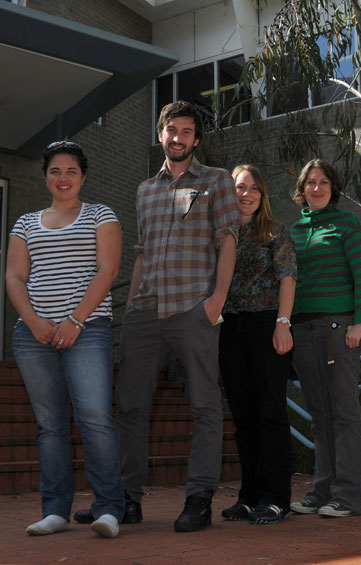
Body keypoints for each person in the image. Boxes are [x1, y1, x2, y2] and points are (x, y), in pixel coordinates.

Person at [113, 100, 240, 532]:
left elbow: (227, 240)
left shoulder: (216, 181)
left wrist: (217, 298)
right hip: (146, 311)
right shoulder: (145, 190)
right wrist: (131, 305)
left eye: (186, 131)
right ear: (160, 133)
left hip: (193, 308)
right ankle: (127, 499)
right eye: (171, 130)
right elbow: (142, 254)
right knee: (129, 405)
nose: (178, 138)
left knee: (205, 406)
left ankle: (199, 499)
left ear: (196, 139)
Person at [7, 141, 125, 537]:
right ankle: (55, 510)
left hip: (87, 329)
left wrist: (75, 320)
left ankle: (109, 508)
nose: (63, 178)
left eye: (71, 171)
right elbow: (14, 278)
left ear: (83, 177)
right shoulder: (24, 223)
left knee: (95, 419)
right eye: (55, 171)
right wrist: (35, 322)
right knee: (50, 425)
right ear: (45, 177)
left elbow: (108, 270)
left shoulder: (100, 214)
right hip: (32, 335)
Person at [288, 159, 361, 518]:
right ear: (302, 189)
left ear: (333, 188)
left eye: (323, 182)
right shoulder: (293, 230)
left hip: (338, 327)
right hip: (301, 330)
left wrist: (360, 322)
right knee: (319, 415)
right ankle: (322, 490)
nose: (317, 188)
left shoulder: (345, 223)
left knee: (345, 412)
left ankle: (349, 495)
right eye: (310, 182)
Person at [218, 164, 296, 525]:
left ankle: (277, 497)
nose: (245, 194)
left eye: (253, 189)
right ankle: (249, 496)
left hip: (268, 326)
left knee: (270, 413)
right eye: (239, 187)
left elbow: (287, 278)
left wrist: (283, 323)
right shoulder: (222, 234)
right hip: (231, 329)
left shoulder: (275, 233)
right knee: (244, 418)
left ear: (262, 195)